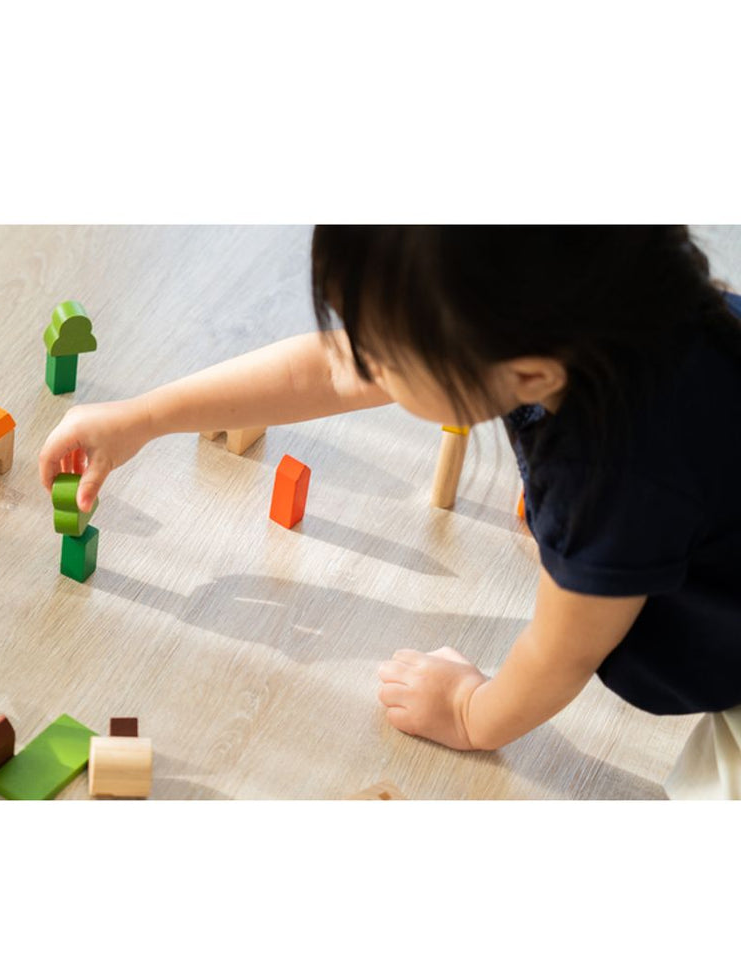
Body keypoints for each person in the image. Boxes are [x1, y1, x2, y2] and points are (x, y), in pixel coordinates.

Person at [38, 226, 741, 797]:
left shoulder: (609, 474)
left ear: (530, 376)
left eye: (384, 360)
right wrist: (145, 416)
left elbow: (564, 652)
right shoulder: (634, 307)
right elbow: (324, 370)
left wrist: (470, 713)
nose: (357, 365)